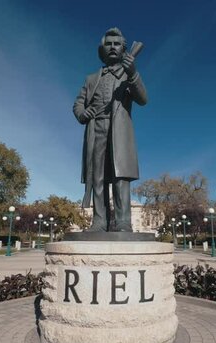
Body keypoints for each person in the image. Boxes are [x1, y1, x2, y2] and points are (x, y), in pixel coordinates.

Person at [73, 27, 148, 232]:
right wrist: (83, 113)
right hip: (95, 129)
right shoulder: (90, 79)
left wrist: (132, 73)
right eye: (109, 43)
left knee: (120, 177)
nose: (113, 47)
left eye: (117, 44)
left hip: (119, 131)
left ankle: (123, 222)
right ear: (102, 50)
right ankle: (99, 221)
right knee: (97, 177)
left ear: (124, 49)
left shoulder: (128, 75)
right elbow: (78, 104)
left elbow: (143, 99)